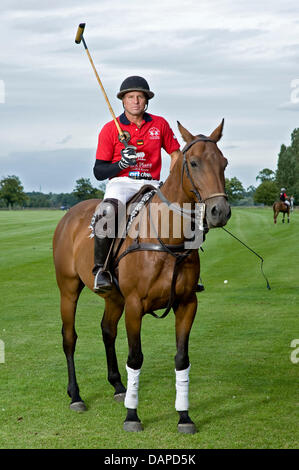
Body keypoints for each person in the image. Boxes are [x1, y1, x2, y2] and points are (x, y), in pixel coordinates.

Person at [92, 76, 181, 294]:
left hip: (151, 183)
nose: (136, 101)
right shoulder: (109, 129)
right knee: (108, 211)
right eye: (130, 97)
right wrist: (120, 164)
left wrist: (171, 180)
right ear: (123, 101)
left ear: (146, 100)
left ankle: (187, 270)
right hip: (122, 183)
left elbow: (176, 154)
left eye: (140, 97)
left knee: (183, 211)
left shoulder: (159, 124)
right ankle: (101, 270)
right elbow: (98, 171)